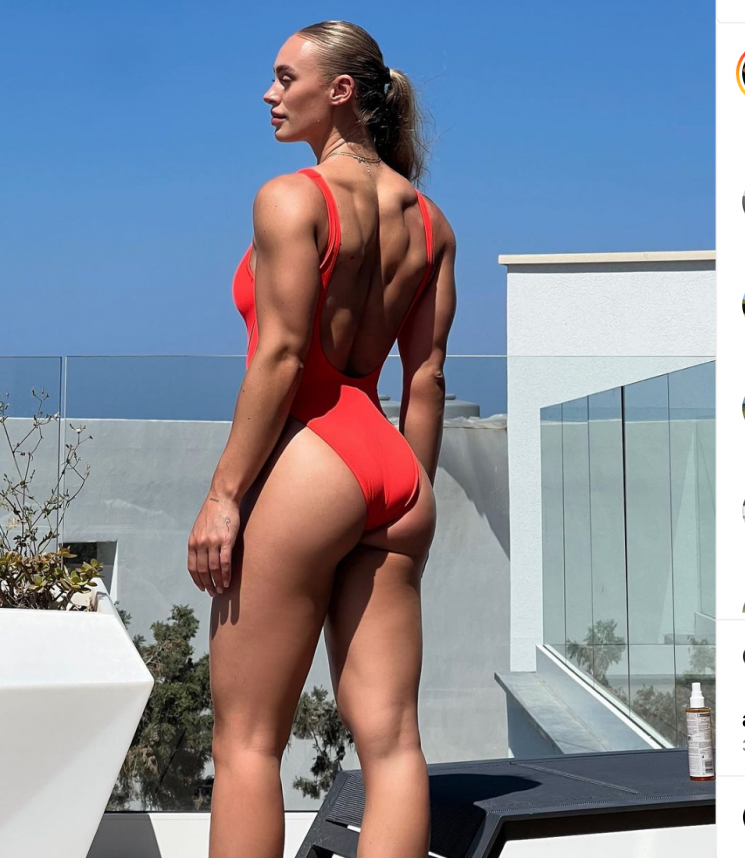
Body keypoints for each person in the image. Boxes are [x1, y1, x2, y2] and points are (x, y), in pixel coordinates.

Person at [187, 21, 457, 858]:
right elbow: (426, 380)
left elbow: (281, 357)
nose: (269, 95)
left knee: (245, 742)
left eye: (284, 78)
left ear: (339, 91)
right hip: (396, 472)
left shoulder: (291, 198)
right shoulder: (431, 222)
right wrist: (408, 502)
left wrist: (224, 497)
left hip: (314, 456)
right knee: (394, 744)